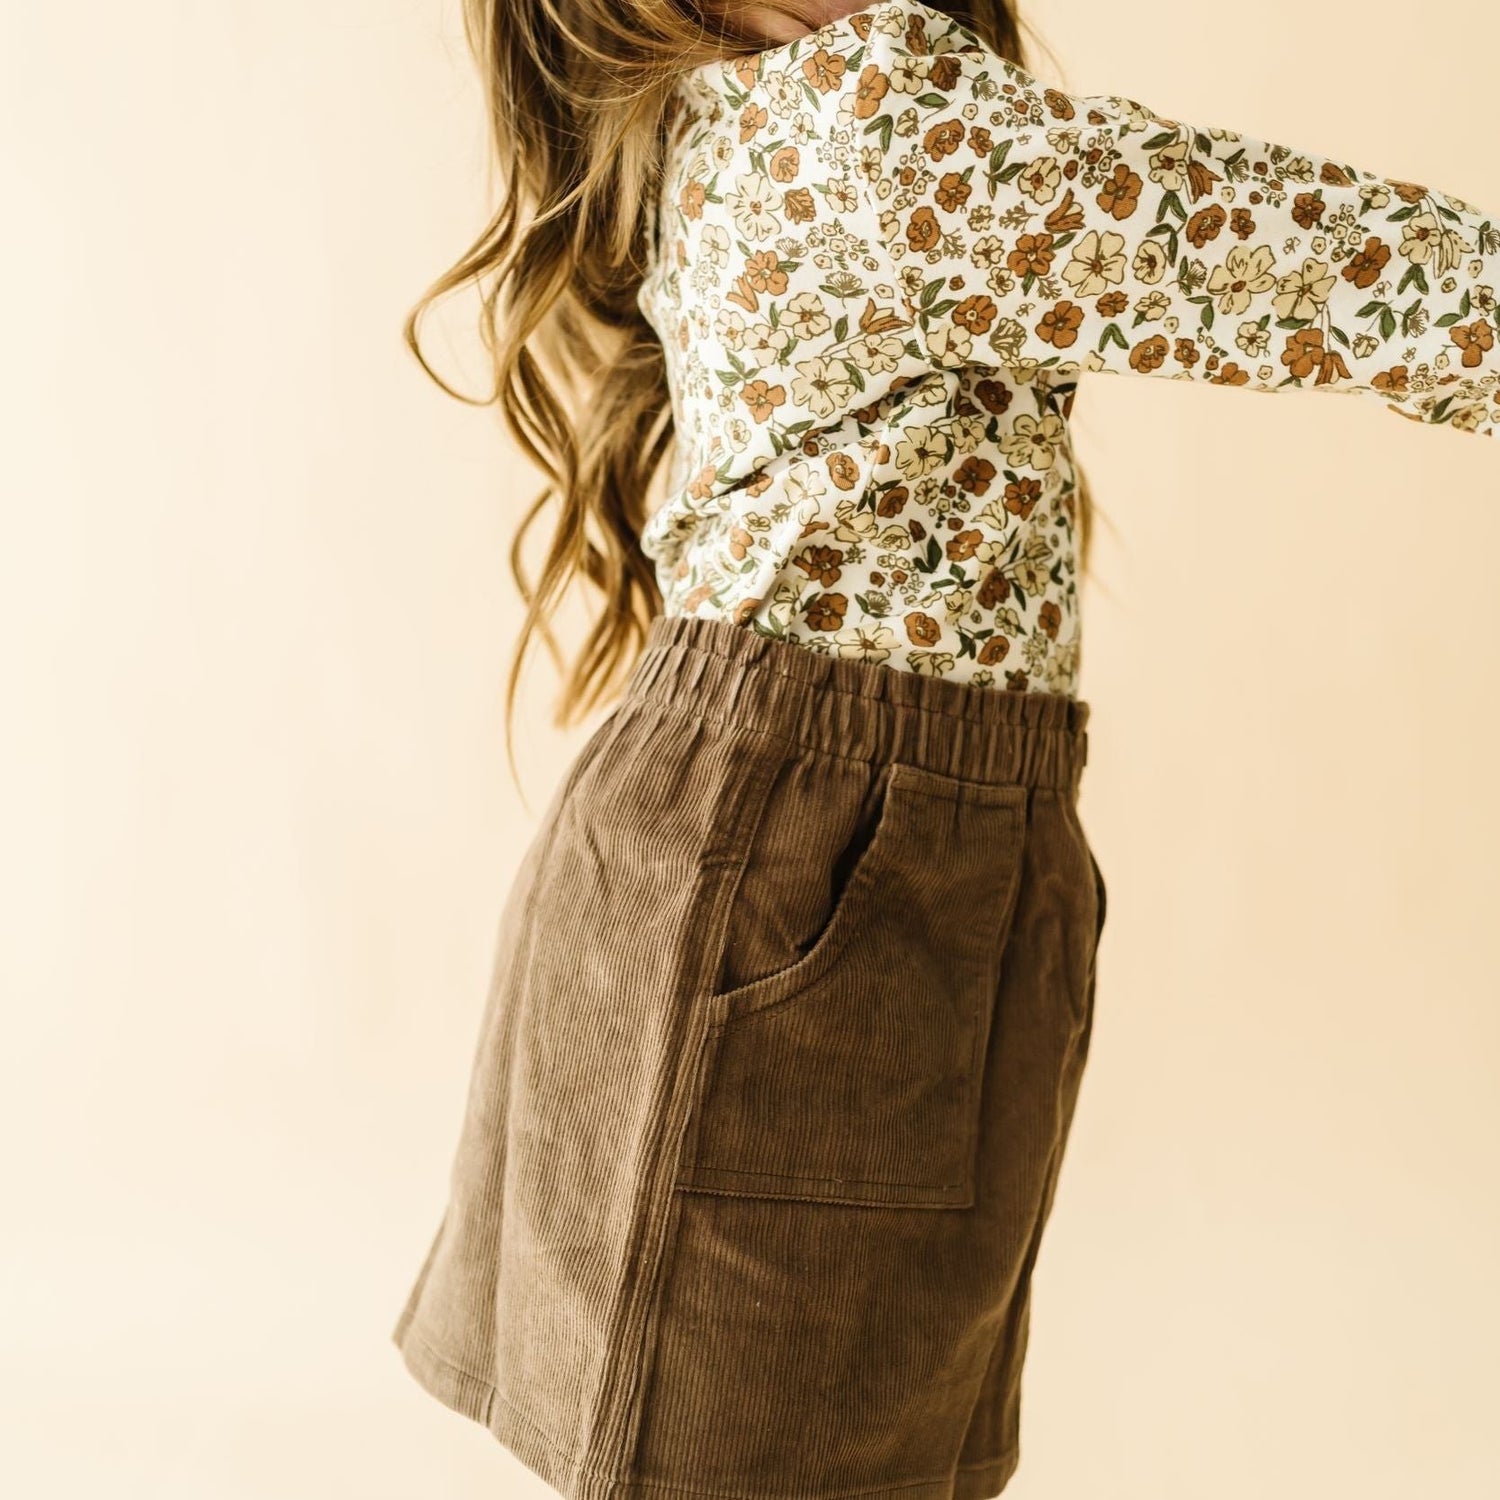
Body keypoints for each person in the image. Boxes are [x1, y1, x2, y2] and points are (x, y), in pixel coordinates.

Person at [390, 4, 1498, 1498]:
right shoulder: (877, 118)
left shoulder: (741, 108)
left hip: (812, 870)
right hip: (802, 889)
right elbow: (1330, 266)